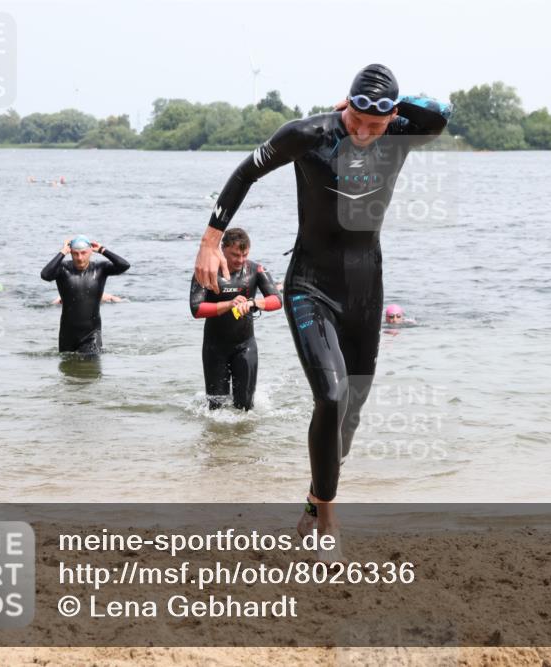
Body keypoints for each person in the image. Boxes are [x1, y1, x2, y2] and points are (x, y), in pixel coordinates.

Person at [193, 64, 450, 561]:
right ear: (345, 105)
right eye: (355, 119)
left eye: (374, 125)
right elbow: (246, 171)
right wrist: (210, 239)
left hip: (366, 288)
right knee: (329, 397)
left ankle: (313, 502)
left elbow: (441, 113)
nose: (360, 133)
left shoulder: (400, 133)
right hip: (310, 284)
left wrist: (377, 109)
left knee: (349, 413)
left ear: (393, 116)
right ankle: (329, 519)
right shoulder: (308, 134)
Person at [190, 228, 281, 411]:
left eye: (244, 255)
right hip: (215, 348)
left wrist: (254, 303)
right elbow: (196, 309)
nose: (240, 260)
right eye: (235, 255)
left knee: (246, 408)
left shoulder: (255, 270)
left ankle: (242, 440)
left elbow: (277, 300)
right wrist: (229, 304)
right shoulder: (207, 271)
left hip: (245, 346)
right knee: (216, 409)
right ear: (222, 249)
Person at [40, 235, 130, 354]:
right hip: (67, 334)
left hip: (91, 334)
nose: (80, 258)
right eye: (75, 254)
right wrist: (62, 252)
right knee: (68, 370)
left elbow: (124, 265)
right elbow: (45, 275)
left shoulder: (100, 268)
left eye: (83, 253)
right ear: (70, 253)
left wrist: (103, 250)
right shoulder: (62, 269)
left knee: (90, 368)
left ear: (91, 252)